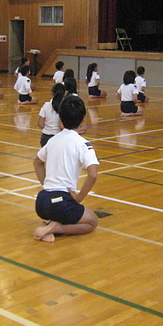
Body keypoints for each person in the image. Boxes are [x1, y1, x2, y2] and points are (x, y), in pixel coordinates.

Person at [33, 95, 99, 242]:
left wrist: (46, 185)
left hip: (42, 201)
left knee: (63, 211)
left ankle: (50, 223)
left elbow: (37, 162)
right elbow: (93, 175)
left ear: (60, 120)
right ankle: (55, 228)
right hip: (61, 202)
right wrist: (78, 198)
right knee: (92, 221)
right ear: (83, 120)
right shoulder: (83, 144)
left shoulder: (52, 140)